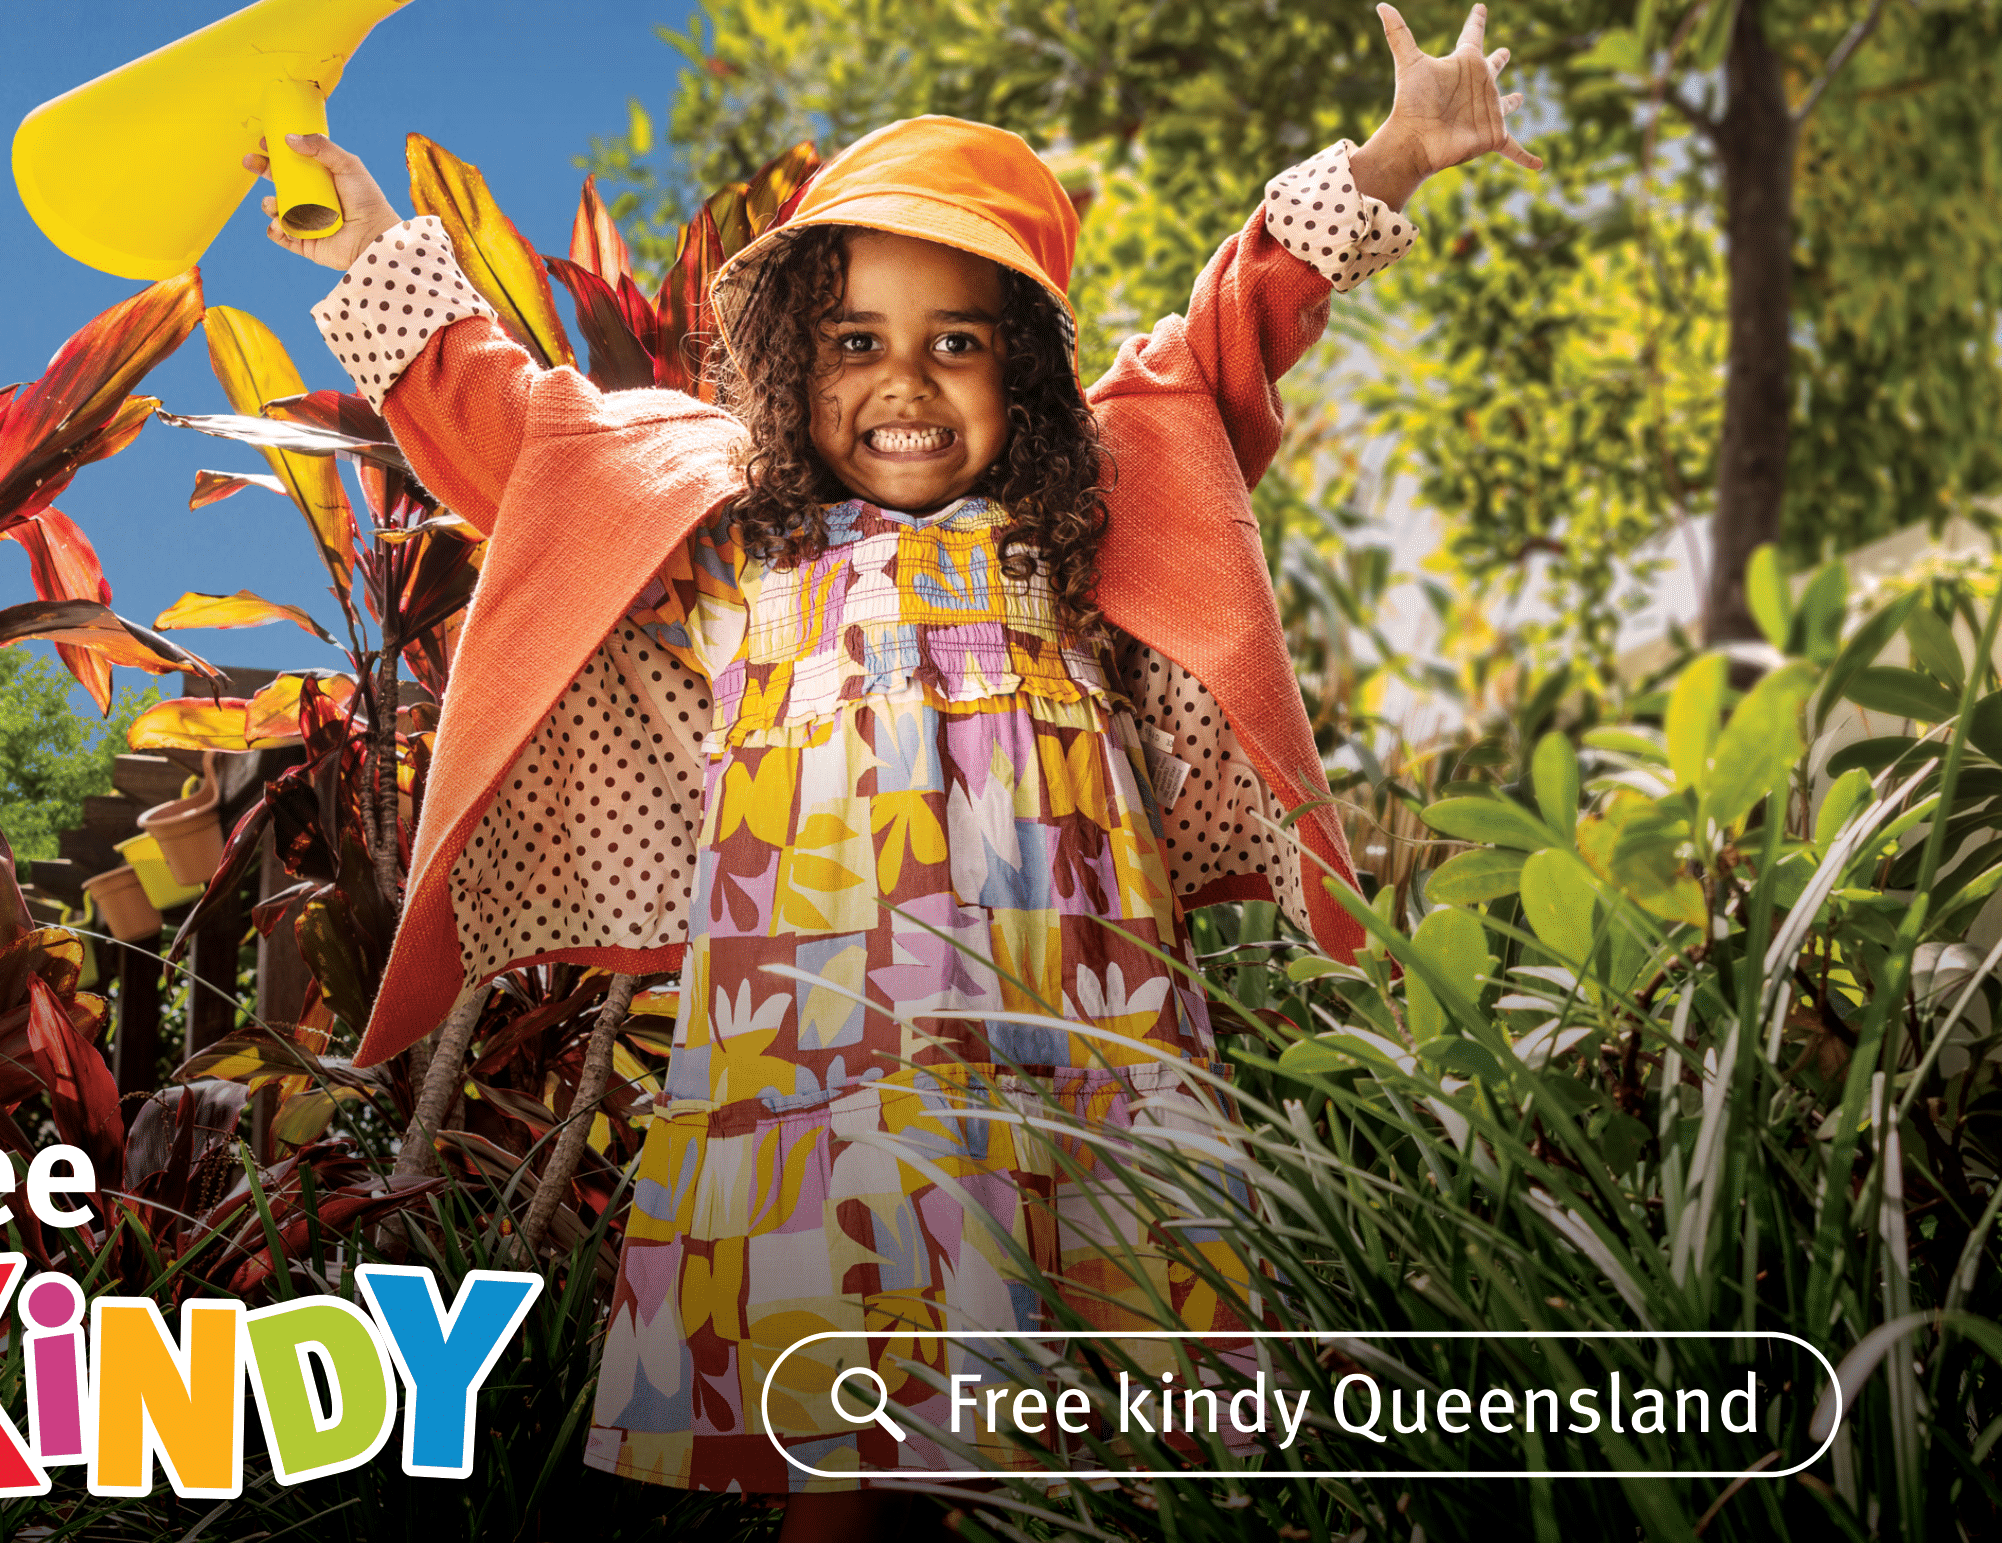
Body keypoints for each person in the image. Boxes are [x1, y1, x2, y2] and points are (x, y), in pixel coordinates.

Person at [251, 4, 1535, 1534]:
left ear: (1030, 375)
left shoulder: (1093, 513)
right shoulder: (729, 538)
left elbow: (1233, 329)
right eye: (855, 343)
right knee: (838, 1453)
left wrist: (1395, 154)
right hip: (817, 1070)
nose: (902, 382)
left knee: (1084, 1447)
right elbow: (514, 437)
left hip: (1073, 1055)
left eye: (957, 343)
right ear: (796, 361)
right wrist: (375, 247)